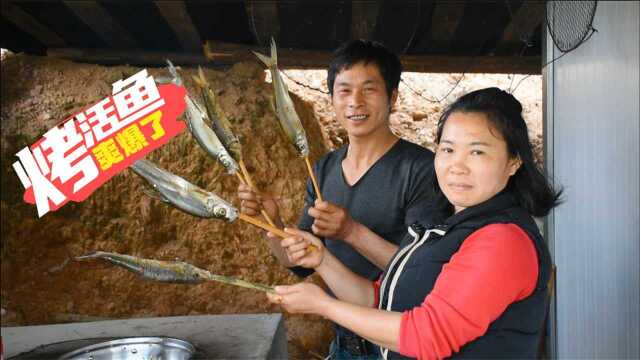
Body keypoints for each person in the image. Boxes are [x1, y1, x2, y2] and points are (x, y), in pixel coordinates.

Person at [267, 87, 562, 359]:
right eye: (447, 149)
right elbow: (380, 299)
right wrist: (321, 259)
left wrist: (325, 306)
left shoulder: (503, 240)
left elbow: (429, 335)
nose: (457, 166)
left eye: (477, 151)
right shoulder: (445, 226)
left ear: (514, 161)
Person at [238, 40, 439, 358]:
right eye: (344, 91)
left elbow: (423, 272)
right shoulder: (325, 168)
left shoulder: (422, 169)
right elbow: (299, 264)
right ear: (332, 99)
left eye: (369, 89)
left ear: (393, 98)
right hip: (343, 344)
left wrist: (351, 233)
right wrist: (273, 222)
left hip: (397, 344)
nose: (355, 102)